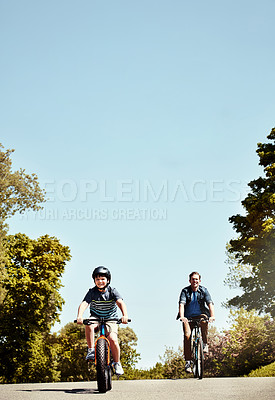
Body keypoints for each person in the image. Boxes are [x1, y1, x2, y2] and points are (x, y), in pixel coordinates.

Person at [76, 266, 128, 376]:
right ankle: (91, 350)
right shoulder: (92, 292)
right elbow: (84, 303)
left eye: (103, 279)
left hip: (110, 318)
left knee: (113, 339)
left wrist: (124, 315)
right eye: (97, 279)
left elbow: (120, 302)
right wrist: (80, 316)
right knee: (89, 324)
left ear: (108, 280)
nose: (100, 281)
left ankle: (117, 363)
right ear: (94, 280)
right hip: (96, 317)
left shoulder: (112, 291)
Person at [178, 271, 215, 373]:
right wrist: (182, 317)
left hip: (200, 315)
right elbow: (181, 304)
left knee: (204, 321)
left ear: (199, 281)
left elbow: (210, 303)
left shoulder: (204, 291)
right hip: (187, 317)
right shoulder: (185, 291)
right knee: (187, 336)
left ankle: (204, 343)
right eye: (193, 279)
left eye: (196, 279)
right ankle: (188, 362)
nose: (195, 281)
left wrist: (212, 316)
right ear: (190, 280)